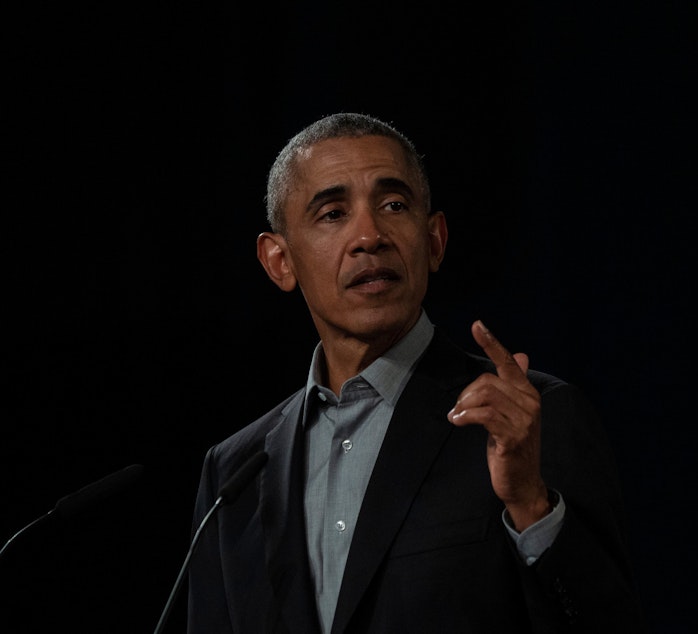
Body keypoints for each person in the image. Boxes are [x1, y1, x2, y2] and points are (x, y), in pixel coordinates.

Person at [186, 112, 644, 633]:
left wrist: (531, 508)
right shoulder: (236, 471)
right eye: (333, 213)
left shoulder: (524, 420)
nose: (369, 236)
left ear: (434, 241)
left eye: (394, 205)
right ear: (279, 261)